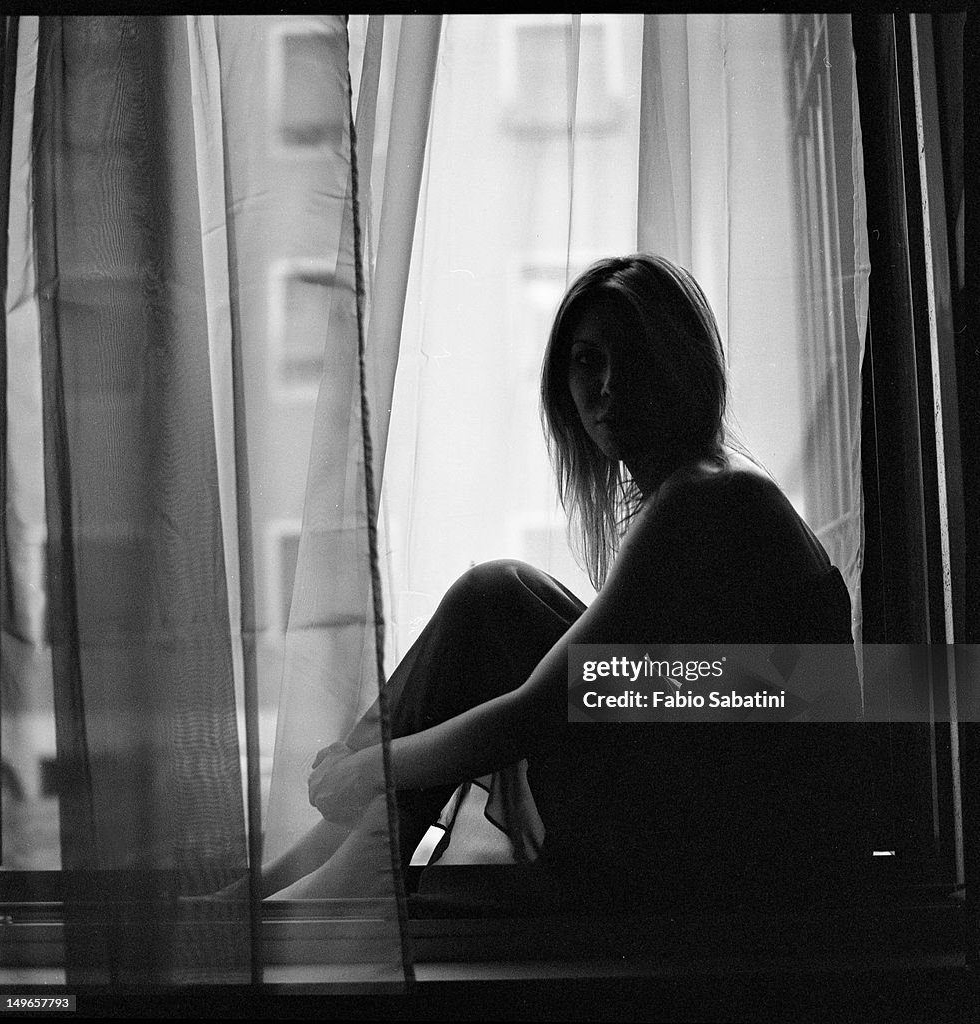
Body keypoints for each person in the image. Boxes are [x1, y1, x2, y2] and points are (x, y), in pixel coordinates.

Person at [257, 253, 865, 908]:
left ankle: (340, 870)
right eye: (586, 361)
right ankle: (333, 865)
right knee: (499, 593)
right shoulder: (711, 485)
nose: (606, 385)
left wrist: (369, 768)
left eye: (632, 356)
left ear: (681, 364)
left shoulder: (707, 497)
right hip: (730, 826)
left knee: (491, 600)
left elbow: (532, 714)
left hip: (739, 858)